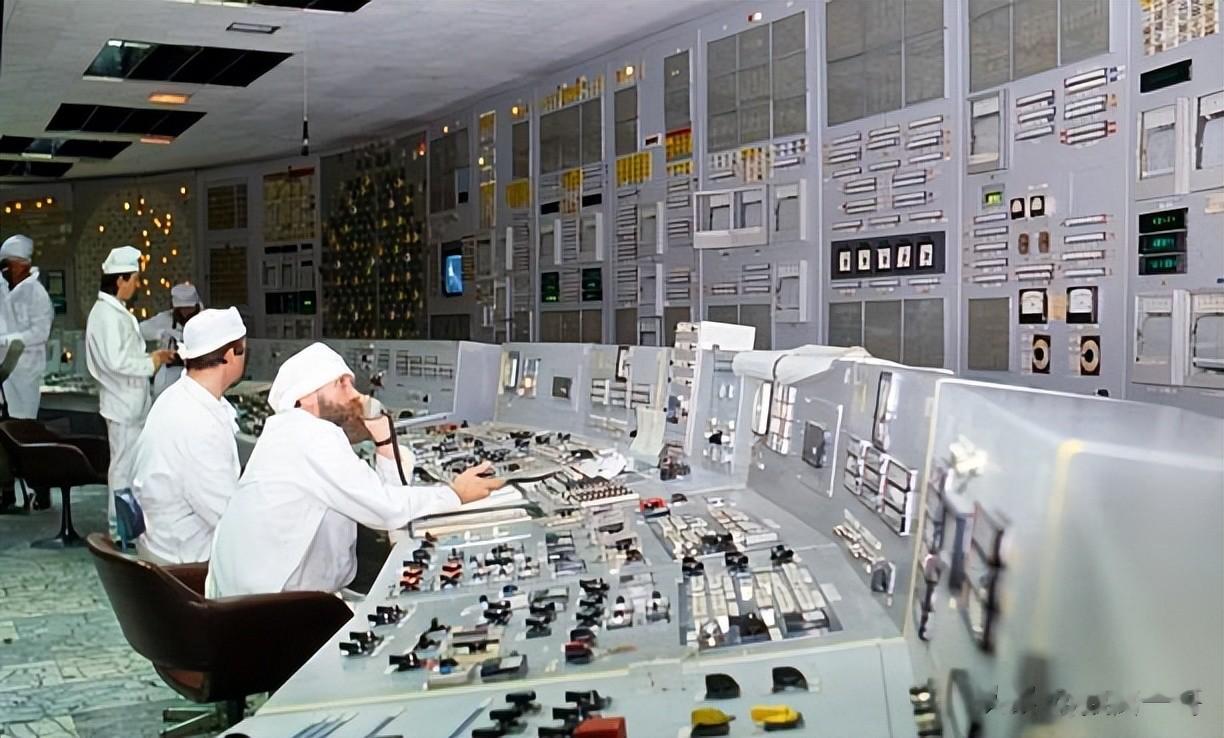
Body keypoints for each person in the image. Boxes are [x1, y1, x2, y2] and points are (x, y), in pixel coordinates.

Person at [206, 343, 503, 597]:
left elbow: (381, 501)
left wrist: (383, 440)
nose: (355, 395)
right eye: (342, 384)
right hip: (276, 608)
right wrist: (455, 494)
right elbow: (385, 510)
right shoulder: (309, 435)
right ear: (306, 395)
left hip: (257, 598)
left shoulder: (289, 432)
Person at [130, 308, 247, 564]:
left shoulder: (177, 396)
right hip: (185, 559)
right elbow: (228, 516)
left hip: (164, 542)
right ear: (230, 355)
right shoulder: (198, 422)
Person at [86, 246, 175, 538]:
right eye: (135, 279)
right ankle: (119, 530)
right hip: (122, 404)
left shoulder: (115, 313)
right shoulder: (106, 315)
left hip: (129, 402)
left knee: (130, 467)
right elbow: (116, 361)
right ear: (120, 280)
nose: (137, 285)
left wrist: (153, 357)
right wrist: (152, 362)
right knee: (122, 470)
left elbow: (123, 355)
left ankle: (129, 527)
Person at [0, 235, 54, 512]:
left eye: (9, 264)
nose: (6, 270)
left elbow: (40, 332)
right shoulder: (2, 288)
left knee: (27, 437)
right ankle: (6, 492)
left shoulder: (37, 294)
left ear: (22, 264)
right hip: (3, 375)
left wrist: (7, 340)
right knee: (3, 437)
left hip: (24, 374)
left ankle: (41, 491)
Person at [139, 282, 201, 399]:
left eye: (189, 308)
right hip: (168, 374)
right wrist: (160, 334)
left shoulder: (205, 319)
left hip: (197, 372)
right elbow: (139, 330)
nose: (186, 312)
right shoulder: (164, 319)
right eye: (182, 309)